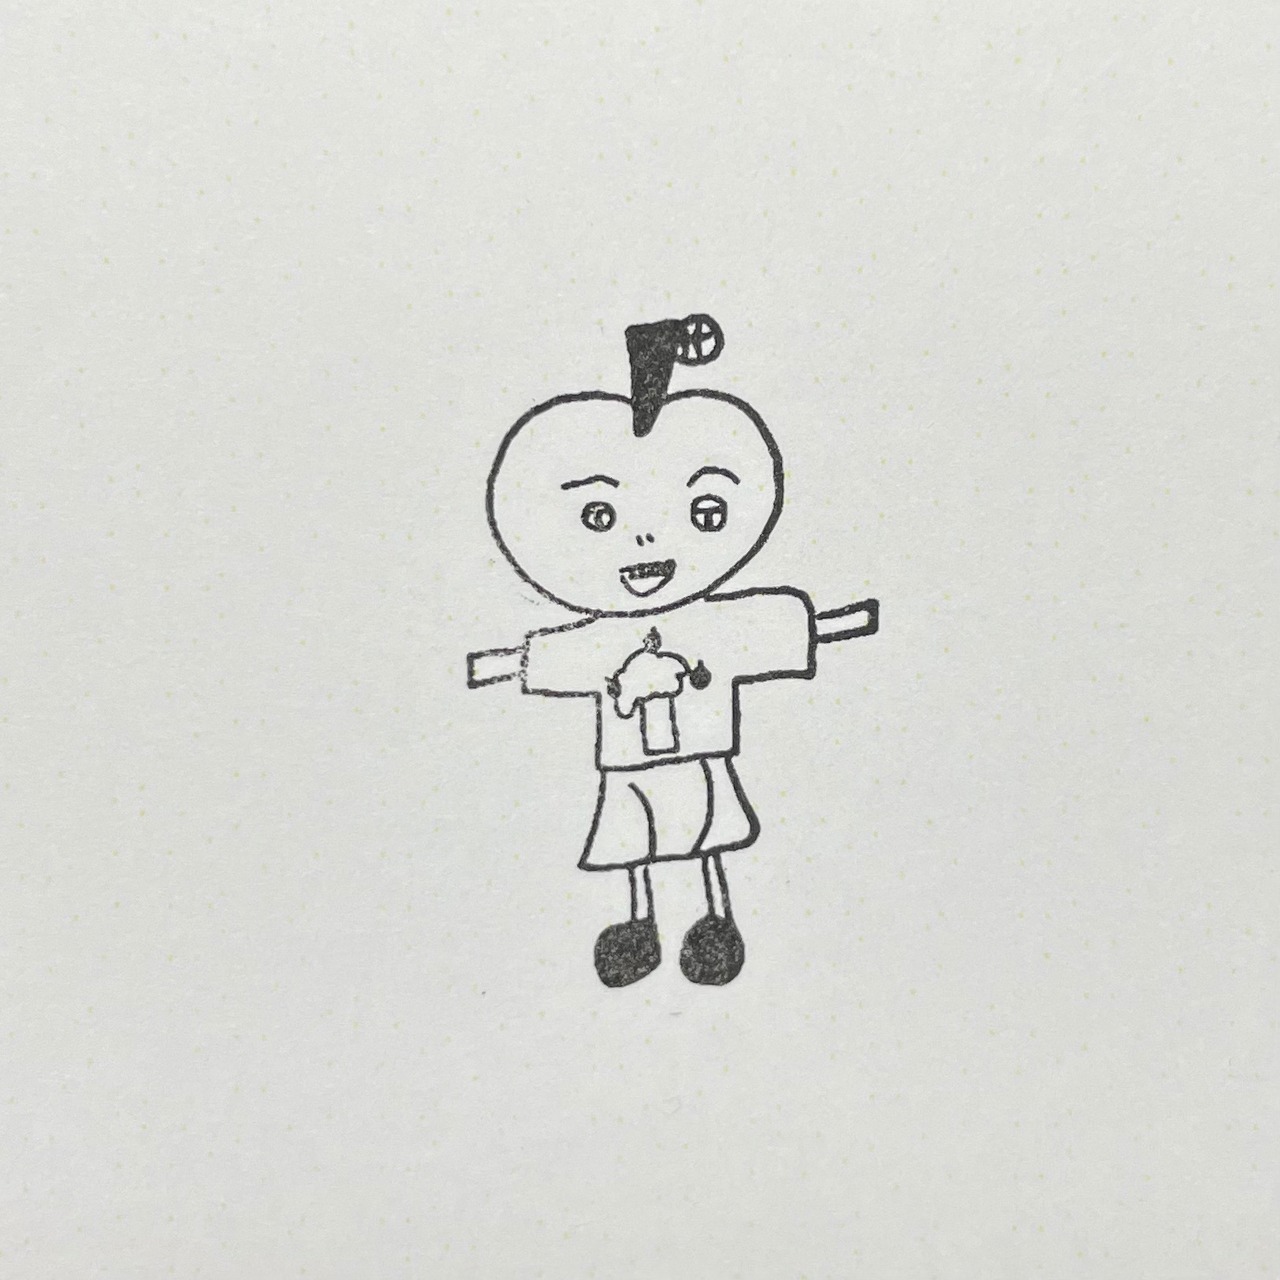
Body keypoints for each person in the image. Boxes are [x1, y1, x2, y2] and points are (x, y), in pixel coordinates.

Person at [467, 315, 878, 987]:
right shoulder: (600, 637)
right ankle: (640, 924)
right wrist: (502, 665)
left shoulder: (717, 622)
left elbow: (778, 627)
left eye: (704, 513)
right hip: (628, 764)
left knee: (708, 833)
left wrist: (842, 624)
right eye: (599, 518)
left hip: (699, 755)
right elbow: (553, 657)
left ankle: (715, 920)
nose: (646, 543)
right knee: (634, 840)